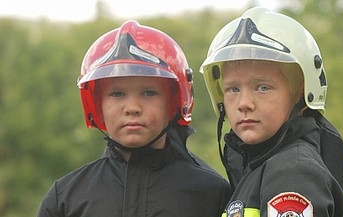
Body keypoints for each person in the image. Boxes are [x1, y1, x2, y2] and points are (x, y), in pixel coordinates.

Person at [37, 20, 231, 217]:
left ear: (174, 103)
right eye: (117, 94)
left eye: (148, 93)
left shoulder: (212, 193)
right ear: (97, 105)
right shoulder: (64, 199)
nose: (132, 108)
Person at [200, 7, 343, 217]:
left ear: (300, 92)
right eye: (233, 89)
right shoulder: (262, 166)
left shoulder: (293, 172)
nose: (244, 103)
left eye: (263, 87)